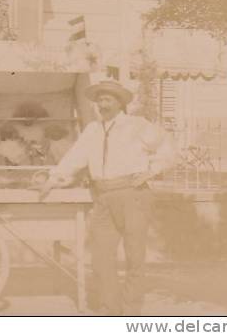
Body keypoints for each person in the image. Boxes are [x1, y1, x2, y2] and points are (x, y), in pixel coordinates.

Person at [39, 80, 176, 315]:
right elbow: (75, 158)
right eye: (99, 100)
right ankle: (109, 308)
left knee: (135, 257)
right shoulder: (92, 130)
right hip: (102, 196)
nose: (102, 104)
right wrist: (53, 179)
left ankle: (131, 310)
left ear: (120, 103)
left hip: (133, 195)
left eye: (108, 99)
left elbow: (168, 147)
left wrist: (152, 171)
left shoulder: (137, 125)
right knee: (101, 257)